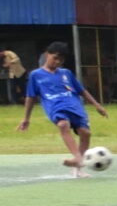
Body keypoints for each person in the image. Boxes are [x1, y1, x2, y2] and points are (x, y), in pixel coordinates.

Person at [17, 42, 107, 171]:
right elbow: (30, 97)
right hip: (55, 106)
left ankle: (78, 168)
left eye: (61, 59)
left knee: (85, 133)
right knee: (63, 124)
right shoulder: (35, 75)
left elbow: (81, 90)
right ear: (47, 55)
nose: (58, 62)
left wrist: (97, 105)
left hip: (74, 106)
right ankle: (77, 157)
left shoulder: (66, 73)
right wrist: (26, 118)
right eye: (55, 58)